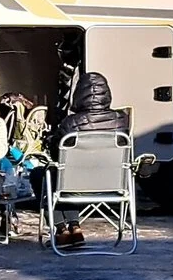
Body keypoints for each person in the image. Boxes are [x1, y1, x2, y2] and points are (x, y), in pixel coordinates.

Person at [43, 71, 130, 248]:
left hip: (74, 183)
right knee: (64, 181)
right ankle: (74, 228)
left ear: (79, 94)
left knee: (46, 177)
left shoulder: (70, 123)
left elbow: (55, 154)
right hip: (112, 184)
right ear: (107, 94)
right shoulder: (122, 120)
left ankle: (63, 230)